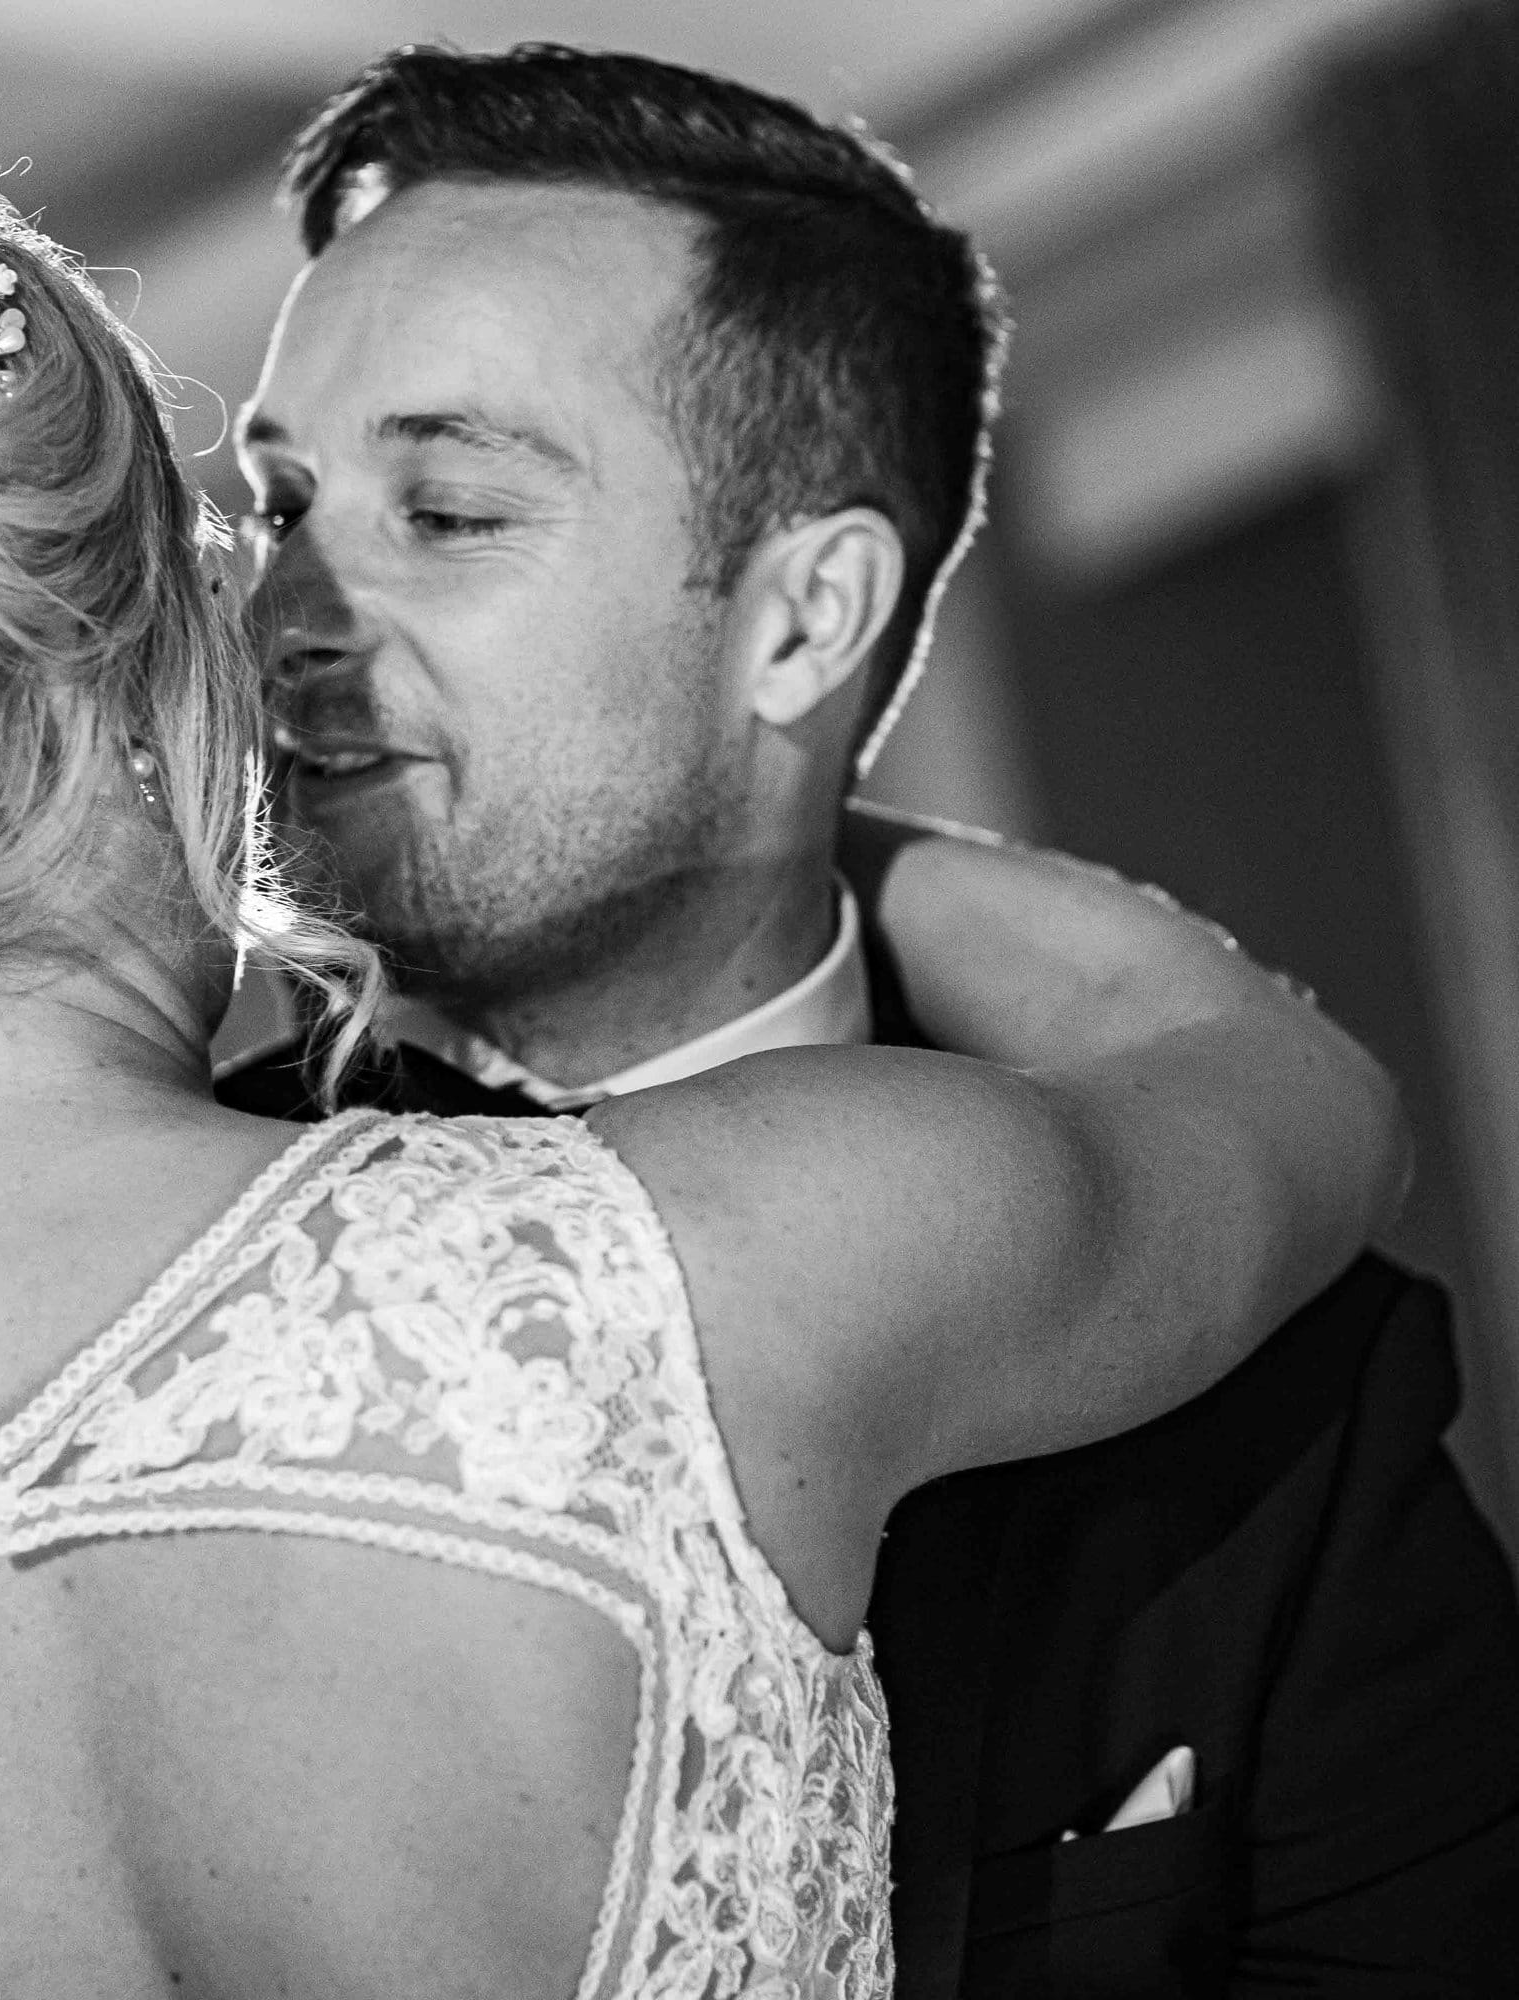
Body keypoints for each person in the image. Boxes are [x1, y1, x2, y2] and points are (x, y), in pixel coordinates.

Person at [0, 143, 1400, 2000]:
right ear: (110, 698)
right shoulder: (726, 1264)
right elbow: (1274, 1093)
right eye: (226, 560)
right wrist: (831, 827)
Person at [215, 44, 1519, 1996]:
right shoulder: (146, 1253)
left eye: (448, 507)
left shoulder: (1263, 1370)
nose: (290, 610)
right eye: (282, 505)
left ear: (802, 621)